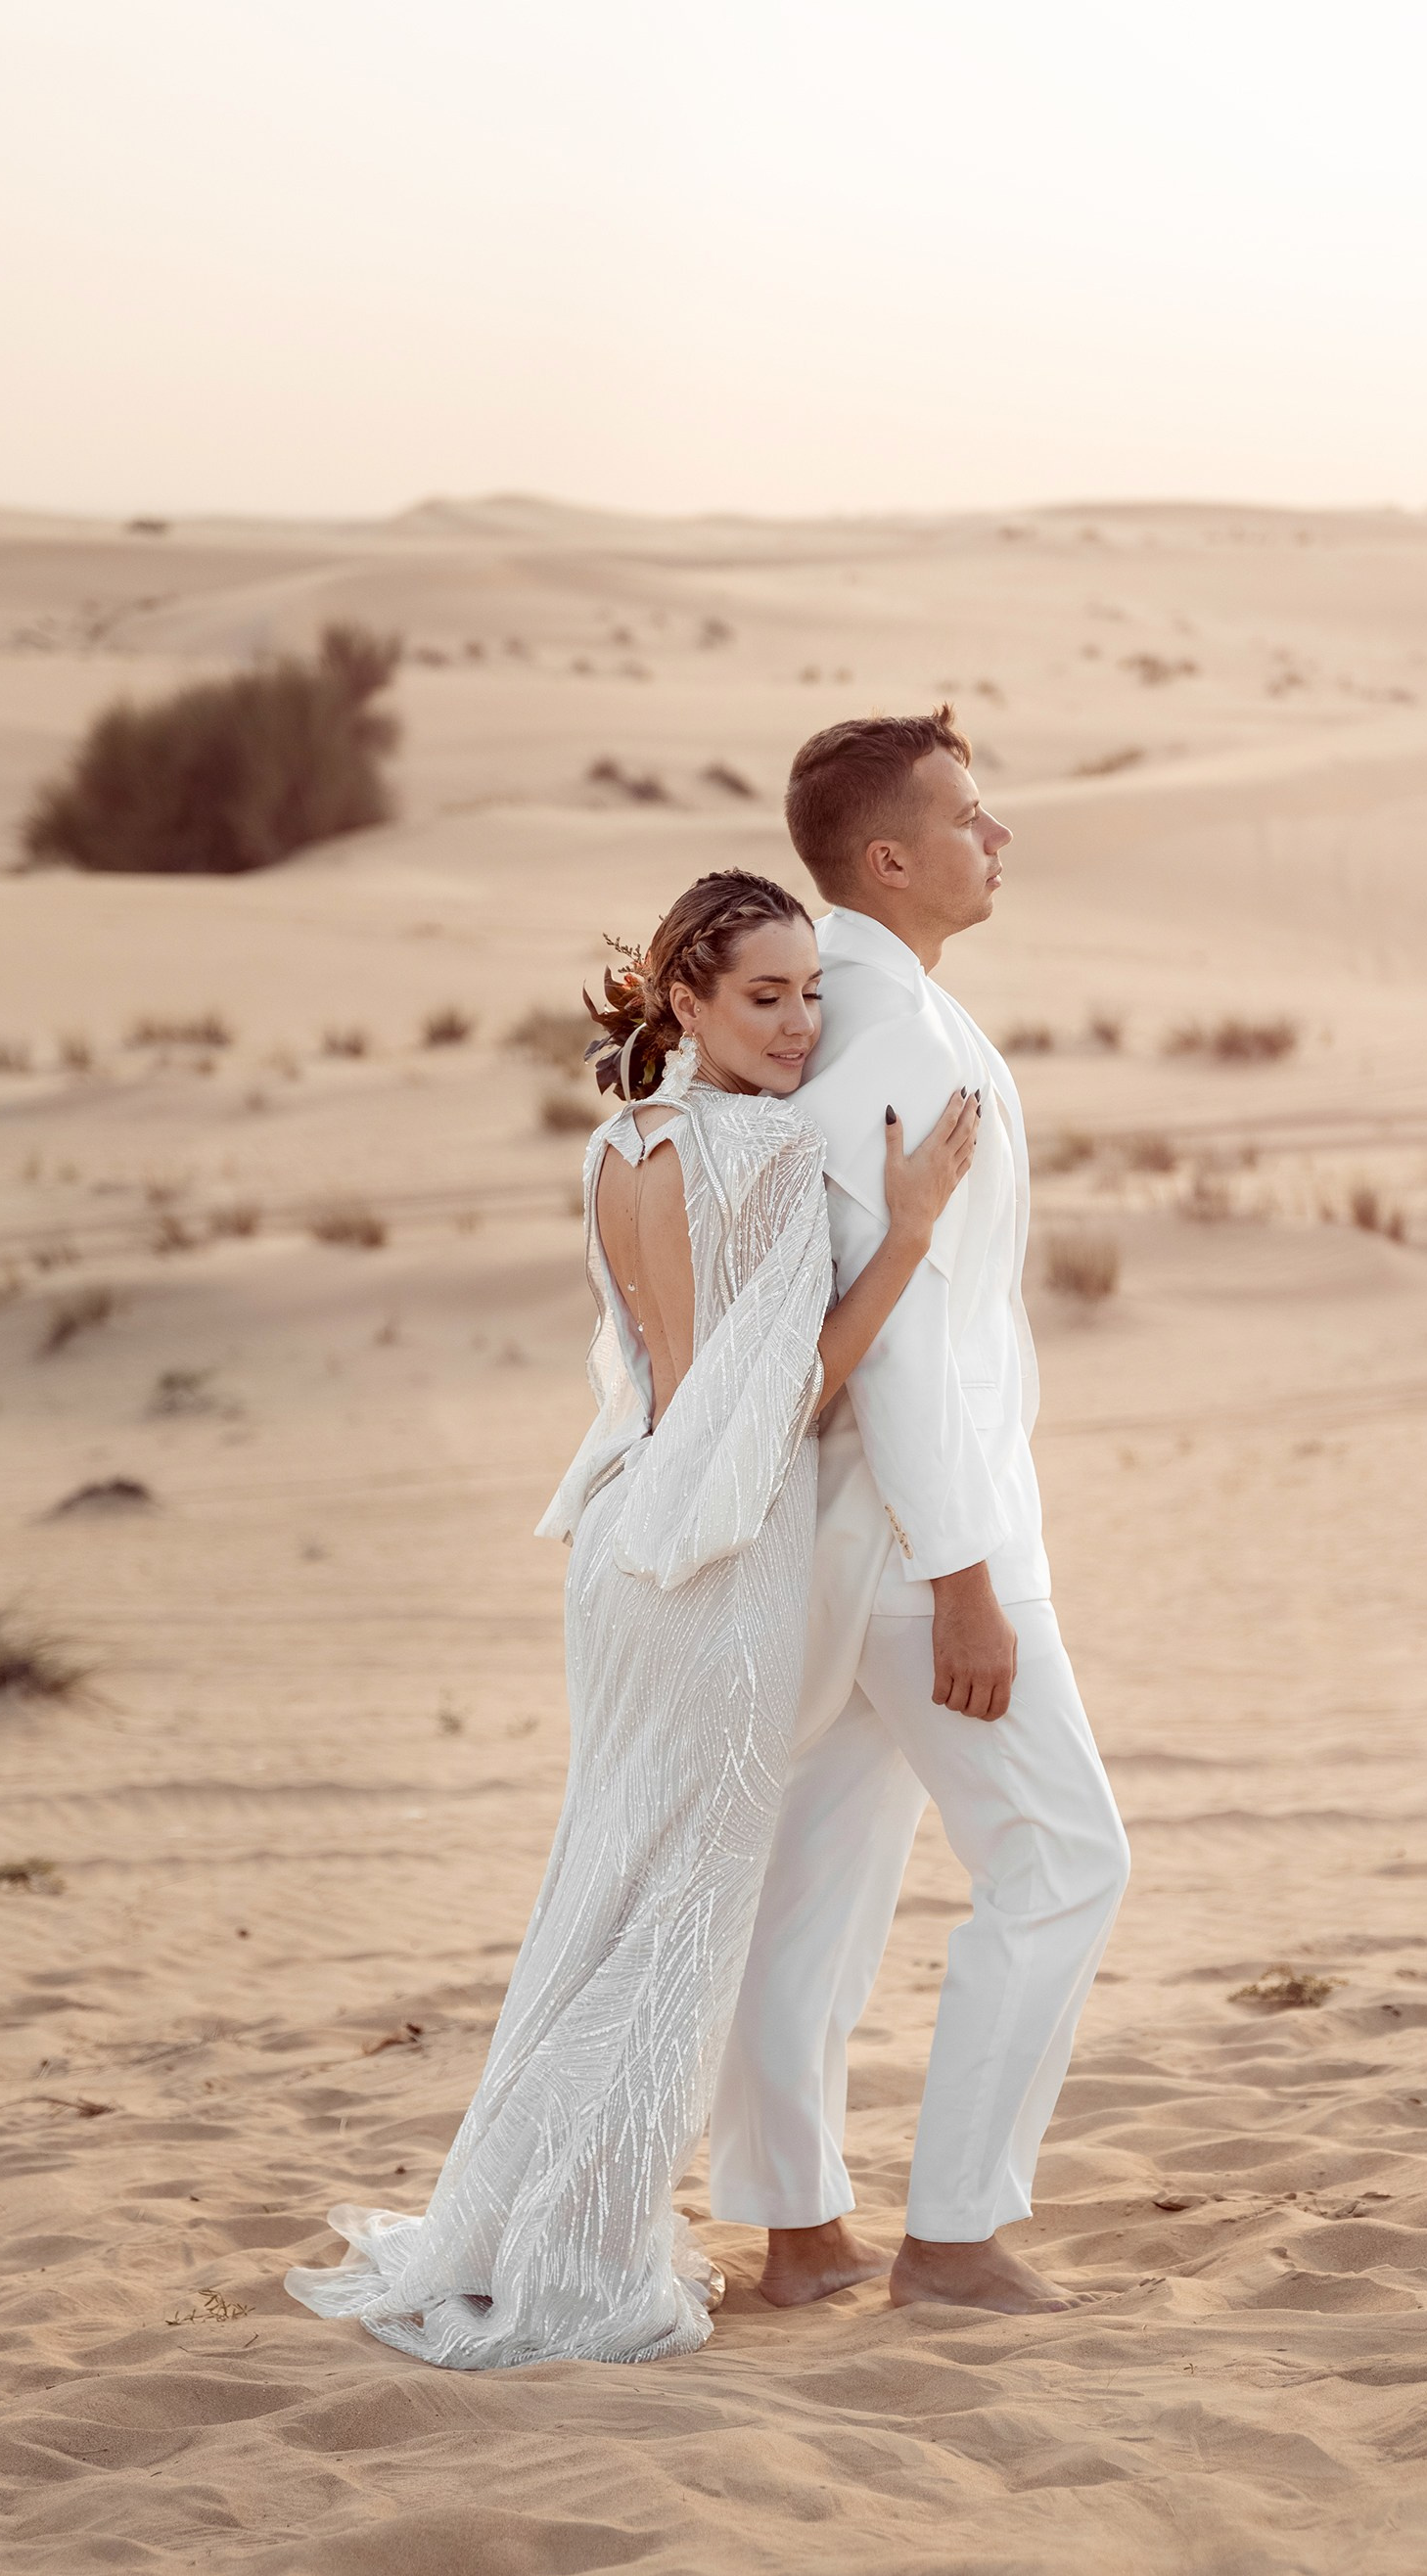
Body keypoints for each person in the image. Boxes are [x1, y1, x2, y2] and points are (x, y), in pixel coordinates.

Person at [286, 869, 978, 2367]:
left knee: (602, 1890)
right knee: (677, 1913)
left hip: (619, 1543)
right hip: (718, 1562)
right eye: (764, 996)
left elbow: (654, 1369)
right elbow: (791, 1392)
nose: (800, 1027)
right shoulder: (775, 1156)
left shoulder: (619, 1143)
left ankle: (519, 2216)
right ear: (684, 1000)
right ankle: (576, 2261)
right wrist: (913, 1226)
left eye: (811, 995)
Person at [710, 712, 1131, 2317]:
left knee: (816, 1886)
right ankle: (952, 2238)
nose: (999, 836)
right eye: (971, 814)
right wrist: (965, 1577)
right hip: (912, 1553)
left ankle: (800, 2230)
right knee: (1066, 1860)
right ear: (888, 858)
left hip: (838, 1554)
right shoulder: (892, 1040)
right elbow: (889, 1346)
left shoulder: (881, 1016)